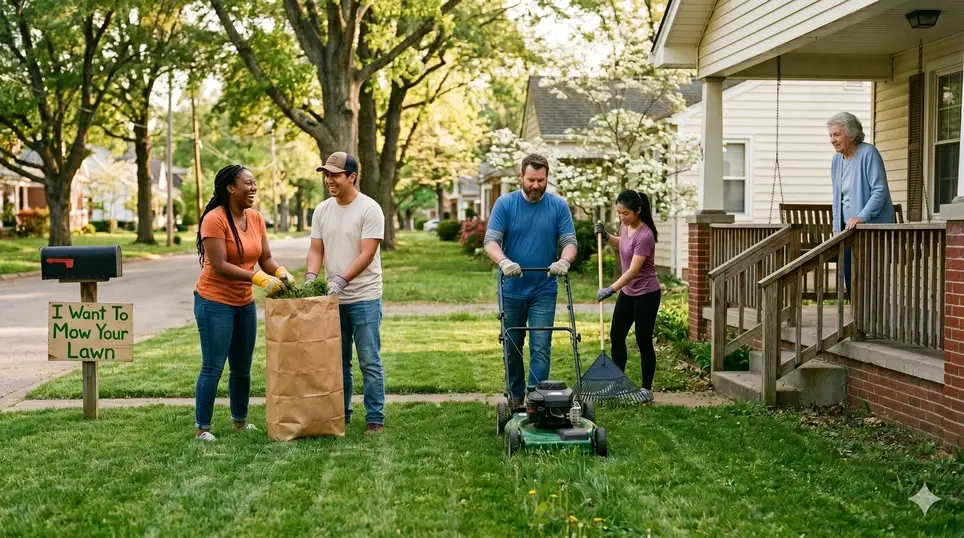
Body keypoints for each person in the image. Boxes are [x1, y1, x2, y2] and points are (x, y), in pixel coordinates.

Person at [193, 165, 296, 442]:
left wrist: (280, 272)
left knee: (242, 367)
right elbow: (220, 265)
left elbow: (265, 258)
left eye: (254, 183)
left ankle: (240, 421)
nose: (253, 188)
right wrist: (258, 279)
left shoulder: (256, 218)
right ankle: (202, 428)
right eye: (248, 183)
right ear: (230, 188)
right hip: (214, 301)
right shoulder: (214, 220)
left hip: (244, 303)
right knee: (213, 366)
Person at [484, 153, 577, 410]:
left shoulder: (558, 206)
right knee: (512, 346)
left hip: (543, 290)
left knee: (541, 346)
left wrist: (564, 261)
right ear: (521, 178)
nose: (536, 185)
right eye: (531, 180)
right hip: (511, 289)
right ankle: (515, 397)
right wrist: (504, 261)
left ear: (547, 178)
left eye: (541, 180)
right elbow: (491, 241)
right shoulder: (505, 204)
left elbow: (570, 242)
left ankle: (536, 399)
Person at [306, 151, 387, 435]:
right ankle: (342, 414)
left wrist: (342, 280)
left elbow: (367, 253)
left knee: (369, 360)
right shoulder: (322, 210)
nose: (329, 180)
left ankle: (375, 417)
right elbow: (316, 249)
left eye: (335, 175)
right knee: (337, 362)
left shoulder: (370, 209)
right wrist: (311, 277)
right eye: (326, 175)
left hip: (364, 296)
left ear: (352, 177)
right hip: (333, 299)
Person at [595, 190, 660, 402]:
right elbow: (622, 243)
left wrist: (610, 289)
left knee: (643, 340)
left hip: (646, 294)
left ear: (638, 211)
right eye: (619, 213)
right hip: (628, 292)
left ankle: (646, 390)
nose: (622, 217)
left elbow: (633, 271)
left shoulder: (645, 235)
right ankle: (617, 383)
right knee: (616, 335)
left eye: (626, 213)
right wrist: (606, 236)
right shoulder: (626, 226)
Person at [827, 111, 895, 297]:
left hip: (871, 229)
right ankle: (856, 314)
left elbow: (879, 191)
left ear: (851, 135)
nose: (832, 140)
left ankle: (873, 315)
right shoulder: (836, 160)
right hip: (848, 230)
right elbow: (837, 198)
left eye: (837, 134)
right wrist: (836, 228)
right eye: (831, 135)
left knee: (870, 279)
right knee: (850, 276)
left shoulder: (868, 153)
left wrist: (861, 217)